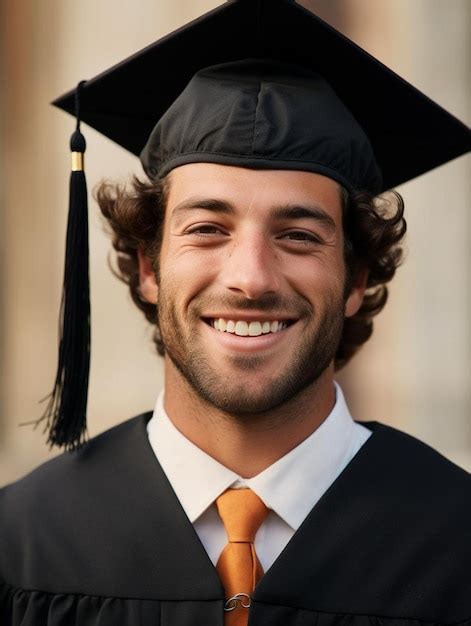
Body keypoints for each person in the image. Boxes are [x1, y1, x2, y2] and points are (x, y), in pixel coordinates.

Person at [1, 1, 470, 625]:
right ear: (148, 267)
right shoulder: (20, 550)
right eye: (207, 229)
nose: (250, 277)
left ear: (357, 277)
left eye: (299, 235)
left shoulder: (457, 546)